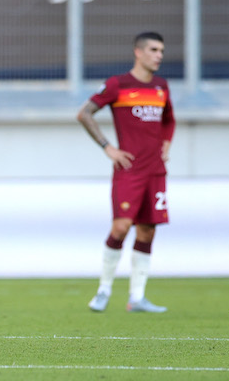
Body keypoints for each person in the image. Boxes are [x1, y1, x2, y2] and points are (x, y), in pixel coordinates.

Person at [76, 32, 175, 313]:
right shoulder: (118, 85)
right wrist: (108, 147)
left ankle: (137, 297)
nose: (159, 55)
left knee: (147, 231)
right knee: (121, 227)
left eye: (162, 51)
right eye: (154, 50)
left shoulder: (161, 86)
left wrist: (166, 143)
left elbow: (169, 120)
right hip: (129, 170)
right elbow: (84, 114)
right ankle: (104, 290)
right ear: (139, 52)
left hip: (156, 171)